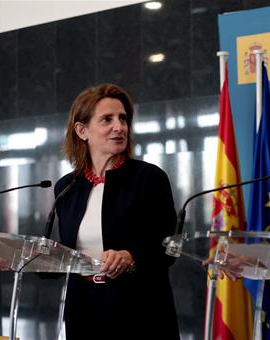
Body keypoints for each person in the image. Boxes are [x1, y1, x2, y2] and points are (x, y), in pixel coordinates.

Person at [54, 83, 180, 339]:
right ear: (82, 130)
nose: (119, 127)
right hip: (84, 309)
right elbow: (63, 252)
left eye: (123, 118)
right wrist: (20, 259)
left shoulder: (149, 178)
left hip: (140, 310)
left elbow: (169, 247)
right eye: (107, 120)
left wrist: (131, 255)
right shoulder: (67, 187)